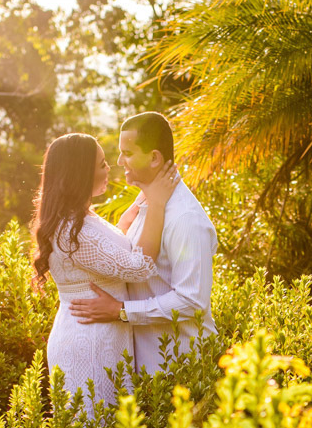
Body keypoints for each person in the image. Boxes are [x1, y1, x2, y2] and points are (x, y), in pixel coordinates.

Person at [31, 133, 179, 415]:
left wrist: (140, 200)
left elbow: (104, 256)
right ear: (80, 174)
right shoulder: (73, 231)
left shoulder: (78, 217)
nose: (109, 167)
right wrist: (157, 204)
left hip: (99, 333)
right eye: (101, 164)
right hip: (88, 342)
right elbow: (139, 267)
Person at [69, 112, 218, 375]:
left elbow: (192, 301)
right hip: (150, 369)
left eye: (127, 153)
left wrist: (121, 311)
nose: (118, 161)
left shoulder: (185, 218)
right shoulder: (146, 205)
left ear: (154, 158)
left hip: (182, 368)